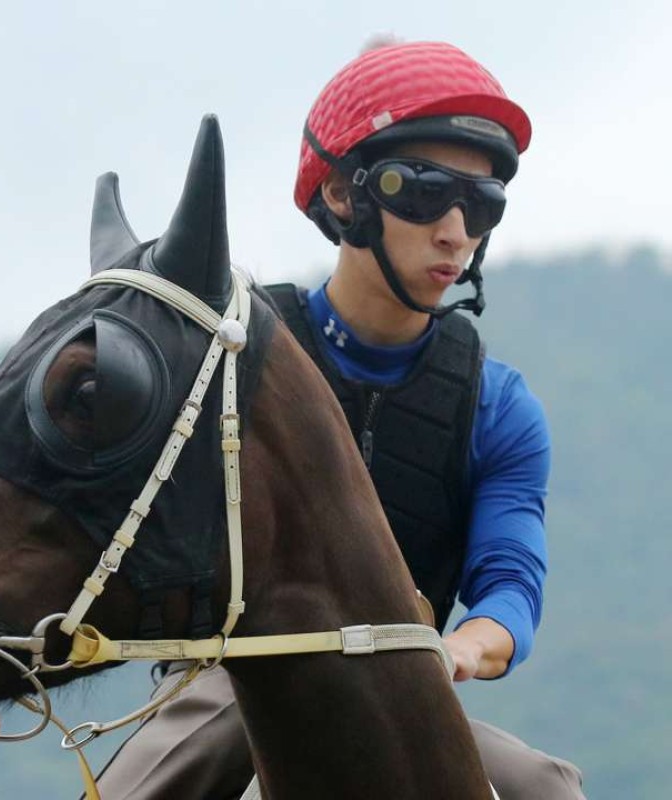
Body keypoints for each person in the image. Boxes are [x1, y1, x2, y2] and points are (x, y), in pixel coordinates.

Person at [93, 39, 585, 799]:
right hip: (226, 689)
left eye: (481, 205)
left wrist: (459, 651)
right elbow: (92, 533)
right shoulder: (223, 365)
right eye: (425, 193)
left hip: (401, 695)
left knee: (547, 788)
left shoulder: (500, 407)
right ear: (345, 197)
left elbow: (510, 586)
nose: (456, 230)